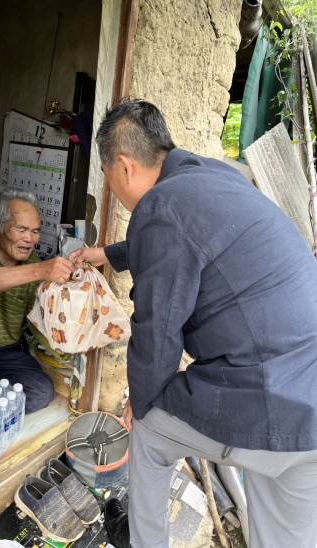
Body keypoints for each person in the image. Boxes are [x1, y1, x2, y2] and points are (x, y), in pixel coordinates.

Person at [69, 99, 317, 548]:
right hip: (309, 398)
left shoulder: (160, 209)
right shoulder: (212, 176)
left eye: (107, 178)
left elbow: (157, 332)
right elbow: (182, 237)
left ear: (123, 167)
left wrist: (142, 401)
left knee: (146, 431)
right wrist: (105, 254)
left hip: (264, 391)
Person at [0, 188, 74, 413]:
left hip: (6, 353)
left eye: (35, 231)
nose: (29, 238)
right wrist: (41, 270)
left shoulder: (33, 264)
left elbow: (37, 320)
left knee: (41, 391)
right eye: (21, 229)